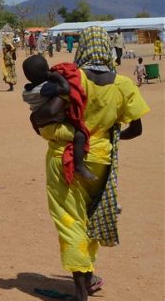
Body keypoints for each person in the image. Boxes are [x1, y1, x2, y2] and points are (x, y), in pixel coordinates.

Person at [30, 26, 149, 301]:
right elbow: (136, 129)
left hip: (65, 158)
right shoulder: (123, 85)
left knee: (69, 219)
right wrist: (106, 136)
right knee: (92, 217)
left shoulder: (74, 79)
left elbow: (49, 113)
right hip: (102, 160)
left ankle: (80, 291)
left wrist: (36, 122)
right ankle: (89, 276)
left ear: (81, 47)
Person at [22, 54, 93, 182]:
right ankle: (79, 166)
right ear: (46, 72)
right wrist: (57, 76)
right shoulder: (44, 88)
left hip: (44, 127)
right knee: (80, 135)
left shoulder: (28, 90)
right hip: (54, 125)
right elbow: (65, 89)